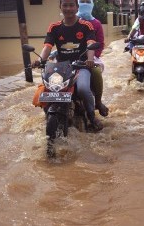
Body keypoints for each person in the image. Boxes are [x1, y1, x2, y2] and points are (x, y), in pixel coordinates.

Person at [38, 0, 103, 131]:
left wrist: (90, 60)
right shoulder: (54, 27)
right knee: (48, 89)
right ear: (60, 7)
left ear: (77, 7)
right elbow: (47, 47)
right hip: (61, 67)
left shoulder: (86, 25)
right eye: (65, 5)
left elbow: (91, 44)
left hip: (81, 66)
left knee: (84, 89)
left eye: (71, 5)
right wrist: (40, 60)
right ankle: (49, 114)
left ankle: (91, 116)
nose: (68, 8)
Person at [76, 0, 109, 117]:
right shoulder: (71, 20)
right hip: (71, 57)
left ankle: (98, 102)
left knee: (95, 71)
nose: (85, 4)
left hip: (91, 58)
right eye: (82, 1)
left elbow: (100, 43)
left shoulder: (96, 23)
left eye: (87, 1)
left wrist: (93, 56)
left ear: (92, 4)